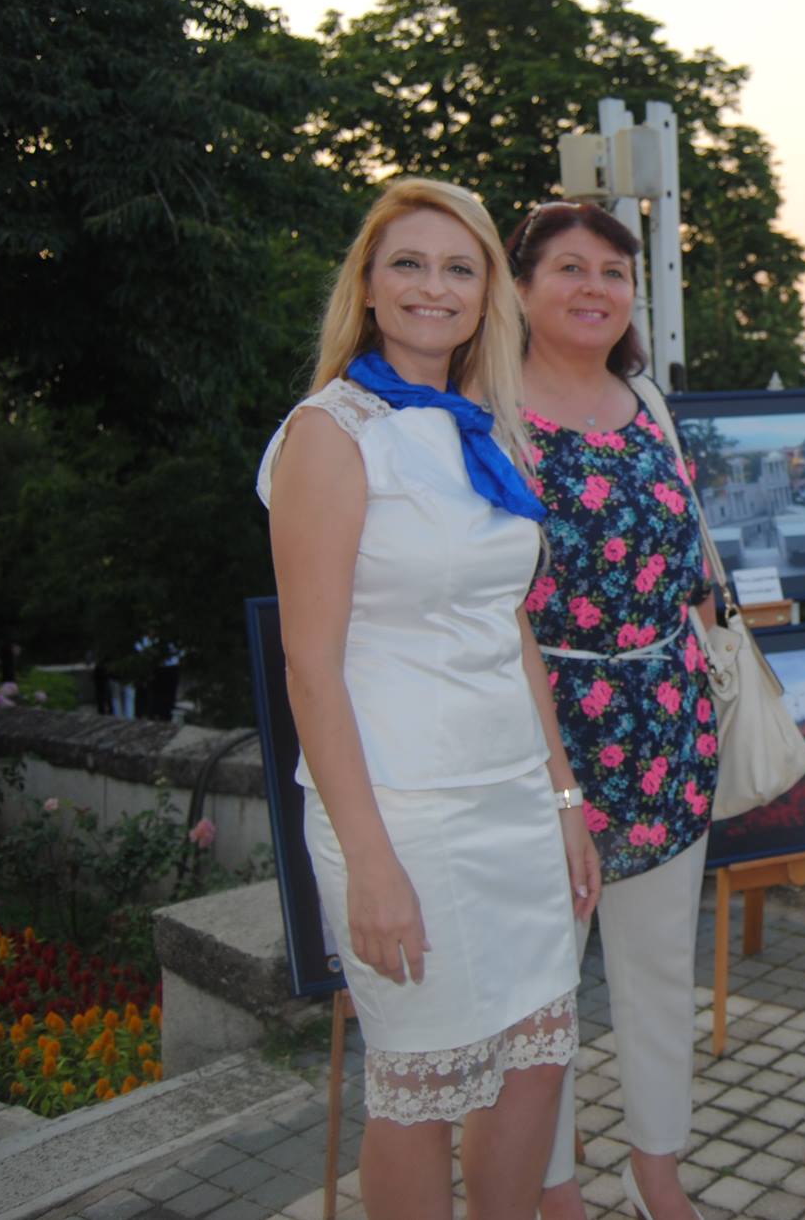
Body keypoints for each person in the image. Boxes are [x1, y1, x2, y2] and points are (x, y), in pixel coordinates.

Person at [259, 178, 597, 1220]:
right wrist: (369, 863)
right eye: (408, 262)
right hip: (401, 812)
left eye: (460, 267)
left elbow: (509, 623)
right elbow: (309, 667)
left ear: (487, 292)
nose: (433, 287)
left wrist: (562, 798)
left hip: (513, 799)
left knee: (535, 1060)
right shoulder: (332, 433)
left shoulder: (483, 427)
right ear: (366, 284)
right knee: (421, 1087)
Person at [505, 199, 717, 1220]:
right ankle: (552, 1187)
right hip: (542, 734)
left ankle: (655, 1173)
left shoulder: (647, 400)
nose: (595, 288)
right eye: (570, 268)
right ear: (521, 288)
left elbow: (689, 554)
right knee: (542, 984)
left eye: (613, 272)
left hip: (667, 727)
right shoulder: (486, 413)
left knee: (660, 968)